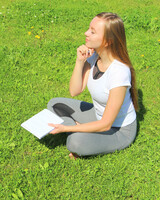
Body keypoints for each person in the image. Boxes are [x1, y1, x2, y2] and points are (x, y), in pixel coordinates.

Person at [47, 12, 138, 159]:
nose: (86, 33)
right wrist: (79, 61)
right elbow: (74, 91)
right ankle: (82, 131)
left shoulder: (119, 72)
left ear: (107, 41)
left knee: (75, 142)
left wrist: (66, 128)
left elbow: (106, 124)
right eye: (89, 29)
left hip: (118, 130)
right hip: (97, 115)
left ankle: (78, 133)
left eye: (92, 32)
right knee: (55, 104)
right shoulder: (95, 57)